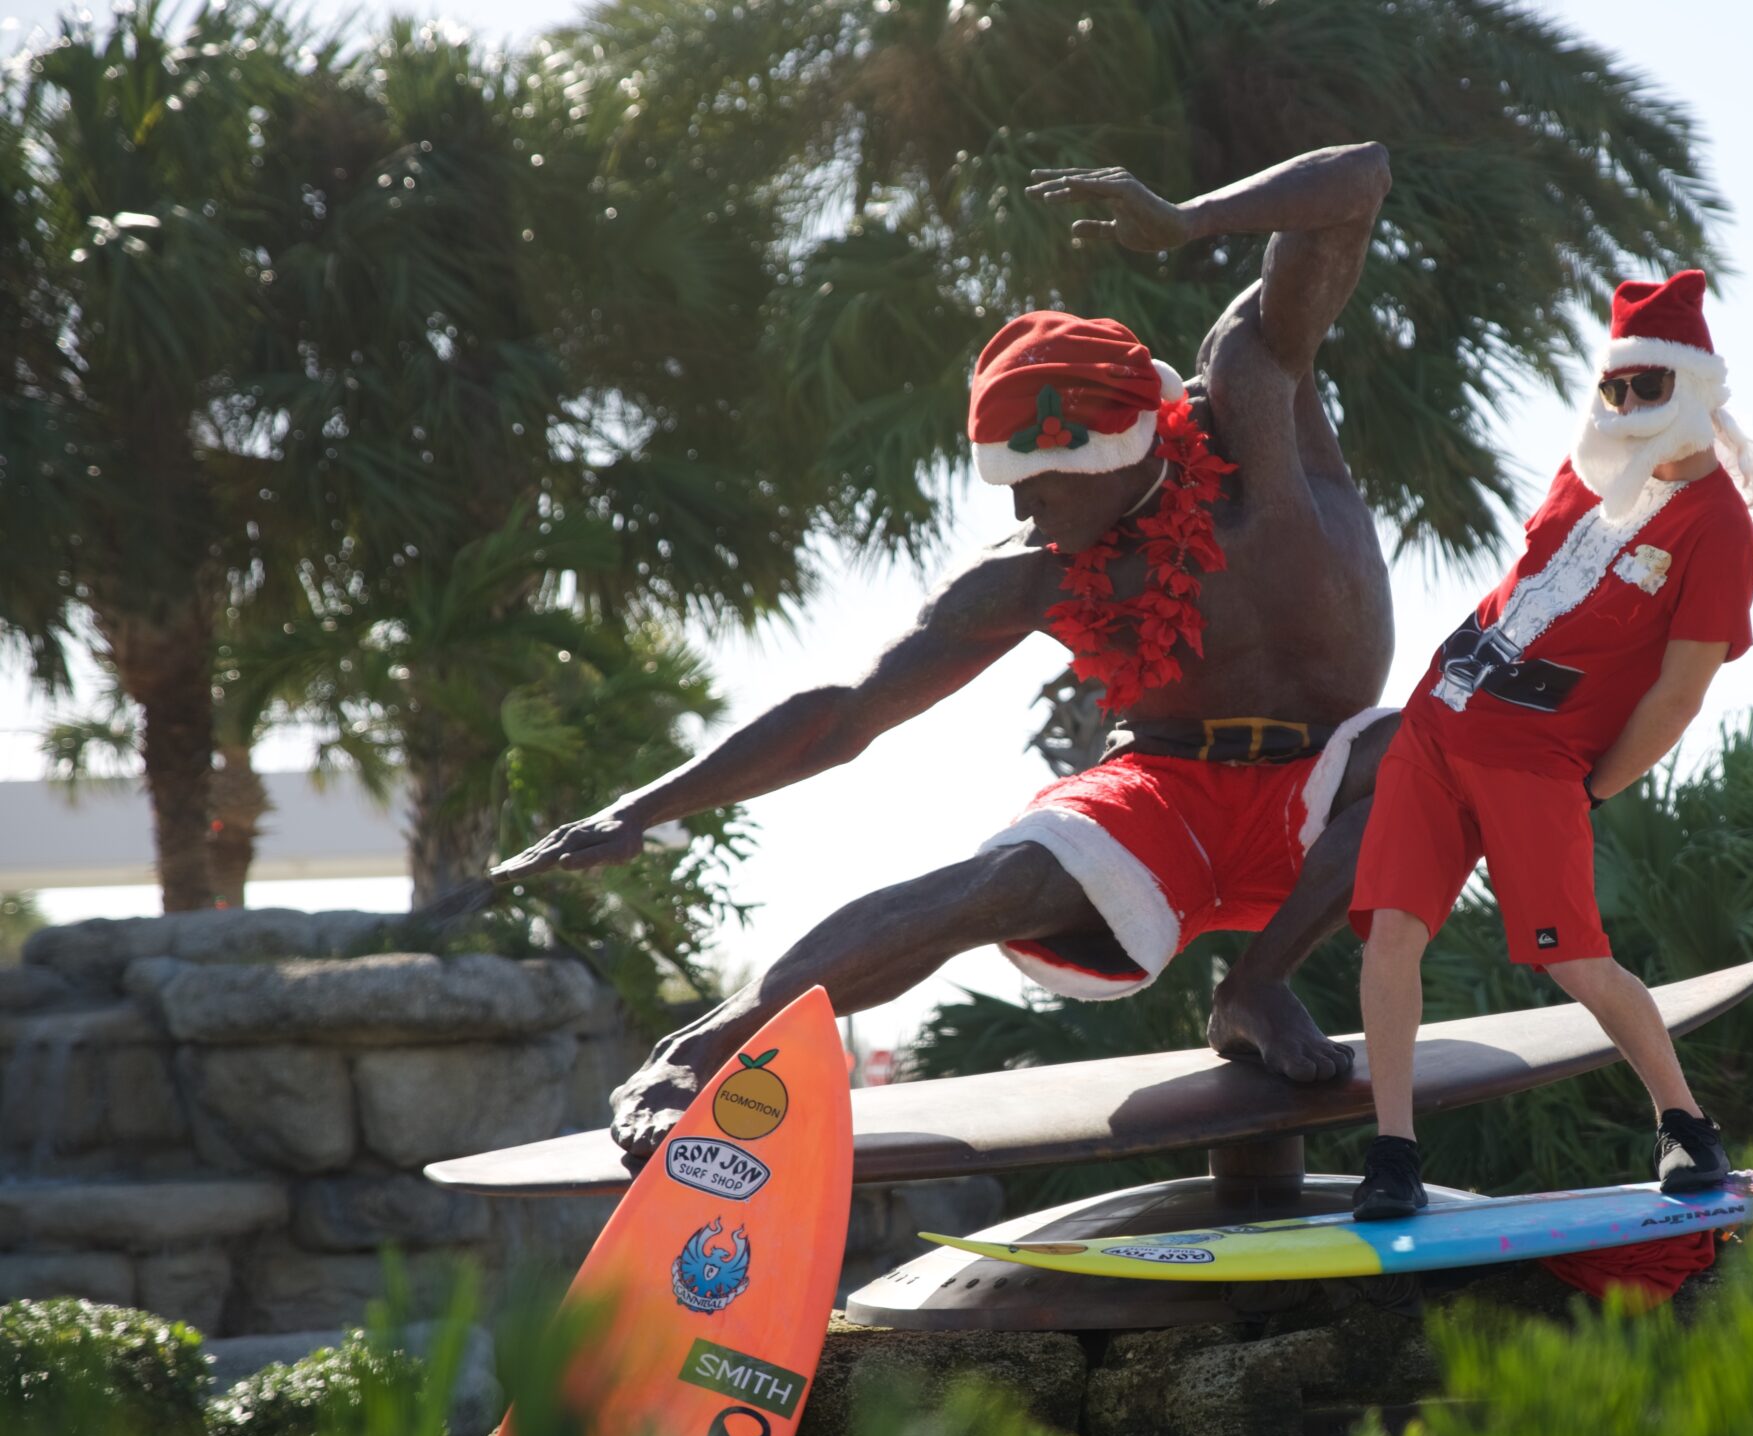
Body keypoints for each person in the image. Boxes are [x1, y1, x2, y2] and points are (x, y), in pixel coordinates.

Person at [487, 144, 1405, 1160]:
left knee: (1423, 745)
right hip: (1163, 791)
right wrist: (638, 809)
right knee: (992, 885)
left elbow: (1357, 181)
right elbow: (844, 714)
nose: (1019, 508)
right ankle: (701, 1049)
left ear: (1112, 451)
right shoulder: (1025, 574)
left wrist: (1186, 219)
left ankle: (1256, 987)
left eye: (1040, 483)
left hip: (1326, 783)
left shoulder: (1253, 395)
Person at [1345, 269, 1753, 1219]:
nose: (1624, 406)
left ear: (1696, 389)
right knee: (1391, 932)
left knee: (1571, 956)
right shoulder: (1587, 470)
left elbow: (1679, 695)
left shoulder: (1721, 531)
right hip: (1438, 720)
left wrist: (1591, 786)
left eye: (1647, 387)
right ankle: (1393, 1153)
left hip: (1541, 761)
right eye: (1613, 386)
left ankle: (1686, 1125)